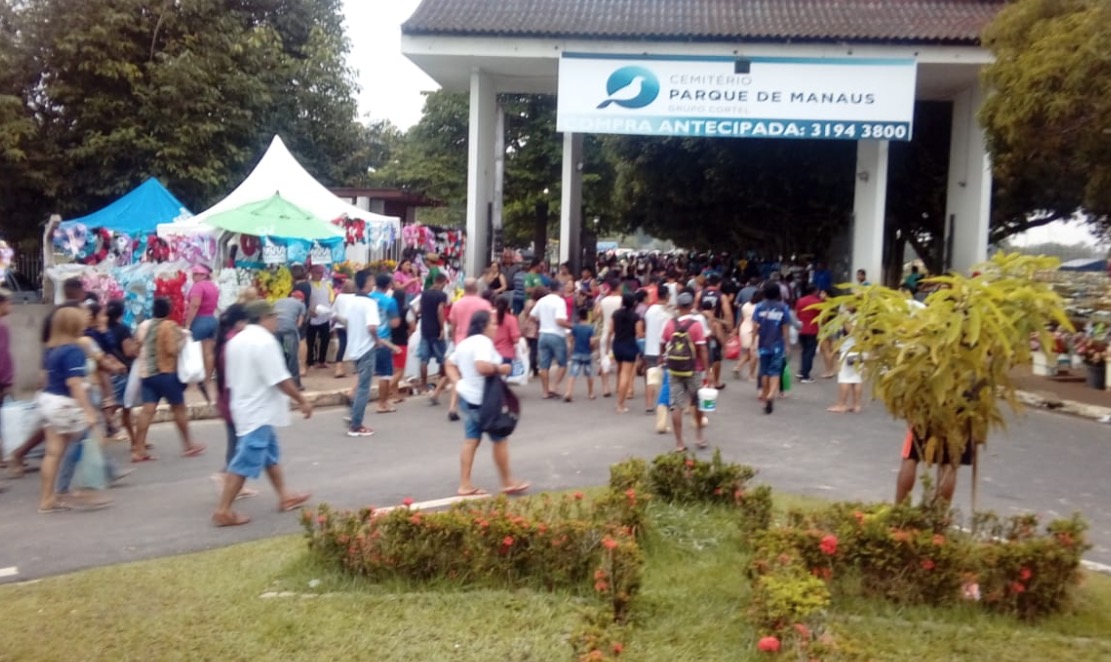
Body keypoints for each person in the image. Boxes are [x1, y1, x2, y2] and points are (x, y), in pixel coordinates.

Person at [212, 300, 312, 527]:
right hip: (258, 409)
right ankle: (224, 509)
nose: (277, 321)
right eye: (274, 317)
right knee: (246, 459)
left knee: (268, 454)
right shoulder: (264, 341)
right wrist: (302, 400)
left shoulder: (236, 340)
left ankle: (285, 496)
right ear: (264, 318)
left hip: (246, 406)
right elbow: (280, 379)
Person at [445, 310, 529, 497]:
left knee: (471, 440)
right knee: (499, 439)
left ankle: (465, 484)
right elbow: (481, 366)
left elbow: (449, 363)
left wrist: (458, 382)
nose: (495, 326)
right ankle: (507, 481)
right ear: (483, 325)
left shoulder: (464, 343)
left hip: (468, 397)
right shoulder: (483, 342)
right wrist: (501, 368)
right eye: (492, 323)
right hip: (485, 399)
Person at [36, 307, 110, 513]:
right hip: (66, 403)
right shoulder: (74, 351)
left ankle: (47, 498)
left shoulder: (51, 350)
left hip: (49, 401)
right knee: (86, 445)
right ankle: (84, 492)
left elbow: (45, 379)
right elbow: (75, 384)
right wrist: (89, 412)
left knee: (53, 453)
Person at [132, 297, 205, 461]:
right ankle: (188, 445)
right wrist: (182, 340)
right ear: (168, 311)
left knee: (147, 411)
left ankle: (138, 448)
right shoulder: (169, 326)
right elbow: (172, 350)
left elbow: (135, 348)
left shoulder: (143, 326)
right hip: (166, 374)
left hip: (147, 374)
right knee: (179, 408)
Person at [212, 304, 258, 500]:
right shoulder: (234, 342)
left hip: (228, 399)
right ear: (240, 322)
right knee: (239, 446)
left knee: (237, 444)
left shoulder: (225, 340)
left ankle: (234, 482)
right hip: (235, 401)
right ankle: (225, 478)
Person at [661, 292, 709, 451]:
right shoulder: (696, 325)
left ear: (678, 307)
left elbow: (663, 343)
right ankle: (699, 436)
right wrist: (707, 370)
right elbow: (702, 349)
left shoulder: (669, 324)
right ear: (692, 306)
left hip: (674, 369)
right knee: (697, 402)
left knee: (676, 405)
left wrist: (664, 359)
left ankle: (679, 442)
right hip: (693, 369)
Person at [340, 270, 381, 437]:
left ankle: (353, 415)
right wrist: (377, 340)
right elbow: (372, 326)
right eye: (371, 280)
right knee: (364, 387)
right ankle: (356, 425)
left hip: (355, 347)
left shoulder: (352, 301)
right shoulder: (369, 303)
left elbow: (345, 322)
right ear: (367, 281)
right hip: (366, 347)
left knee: (360, 384)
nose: (373, 284)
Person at [446, 278, 493, 419]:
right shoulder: (484, 304)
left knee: (460, 376)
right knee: (480, 374)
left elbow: (453, 324)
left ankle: (453, 407)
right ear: (477, 288)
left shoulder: (457, 304)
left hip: (461, 341)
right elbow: (490, 322)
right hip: (479, 341)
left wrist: (454, 338)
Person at [751, 282, 791, 415]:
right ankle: (772, 394)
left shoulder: (759, 307)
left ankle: (765, 392)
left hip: (763, 345)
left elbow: (755, 327)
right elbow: (785, 328)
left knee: (764, 371)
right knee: (775, 371)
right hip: (777, 345)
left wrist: (752, 343)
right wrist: (787, 345)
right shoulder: (783, 308)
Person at [530, 286, 572, 399]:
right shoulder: (559, 301)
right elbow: (560, 320)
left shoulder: (541, 301)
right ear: (559, 290)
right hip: (557, 335)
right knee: (562, 363)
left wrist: (541, 322)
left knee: (544, 365)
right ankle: (554, 386)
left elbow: (532, 316)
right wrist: (572, 326)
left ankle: (545, 391)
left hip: (543, 334)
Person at [183, 264, 219, 389]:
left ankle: (192, 382)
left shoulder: (198, 287)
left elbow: (194, 305)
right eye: (194, 273)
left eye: (196, 273)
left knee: (192, 352)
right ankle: (207, 380)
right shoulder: (213, 286)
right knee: (208, 352)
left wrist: (187, 324)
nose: (194, 276)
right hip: (212, 319)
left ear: (204, 274)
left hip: (199, 320)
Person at [369, 273, 401, 413]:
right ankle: (382, 404)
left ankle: (353, 395)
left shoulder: (368, 298)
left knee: (365, 372)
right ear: (388, 286)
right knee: (385, 374)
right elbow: (395, 323)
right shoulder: (390, 301)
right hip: (383, 340)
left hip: (367, 339)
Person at [607, 293, 641, 414]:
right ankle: (620, 404)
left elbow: (611, 331)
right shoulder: (635, 316)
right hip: (630, 345)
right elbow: (639, 333)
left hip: (617, 344)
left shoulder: (615, 314)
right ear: (634, 303)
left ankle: (620, 397)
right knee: (625, 375)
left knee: (620, 371)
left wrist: (607, 347)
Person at [418, 273, 450, 401]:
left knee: (424, 359)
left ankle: (424, 385)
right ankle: (443, 383)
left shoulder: (424, 293)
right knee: (442, 358)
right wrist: (442, 328)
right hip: (436, 329)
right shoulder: (442, 295)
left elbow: (419, 309)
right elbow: (440, 311)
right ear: (442, 282)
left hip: (424, 328)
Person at [642, 284, 670, 411]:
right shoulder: (667, 313)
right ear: (667, 296)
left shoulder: (649, 310)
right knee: (667, 377)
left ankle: (649, 405)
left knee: (651, 378)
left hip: (649, 348)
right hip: (663, 349)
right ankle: (665, 403)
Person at [827, 317, 865, 414]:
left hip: (848, 351)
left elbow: (850, 332)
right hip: (860, 351)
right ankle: (856, 404)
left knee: (845, 379)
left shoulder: (848, 318)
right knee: (857, 379)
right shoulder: (864, 316)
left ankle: (842, 405)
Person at [595, 279, 623, 398]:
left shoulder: (604, 300)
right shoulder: (621, 300)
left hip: (605, 333)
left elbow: (598, 314)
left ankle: (605, 387)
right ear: (618, 287)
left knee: (604, 359)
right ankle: (618, 385)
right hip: (619, 333)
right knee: (620, 361)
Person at [273, 291, 306, 390]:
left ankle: (280, 384)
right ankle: (296, 384)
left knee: (281, 355)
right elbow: (300, 323)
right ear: (301, 299)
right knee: (291, 356)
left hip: (275, 329)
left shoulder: (278, 301)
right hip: (288, 330)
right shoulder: (301, 304)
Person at [305, 264, 335, 370]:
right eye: (318, 273)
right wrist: (309, 311)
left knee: (325, 339)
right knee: (311, 341)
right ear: (311, 273)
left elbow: (331, 297)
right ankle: (310, 361)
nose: (320, 275)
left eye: (321, 273)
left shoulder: (326, 284)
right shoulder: (307, 285)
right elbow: (305, 301)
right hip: (312, 316)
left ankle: (322, 360)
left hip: (324, 316)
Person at [565, 308, 597, 402]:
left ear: (578, 317)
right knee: (589, 374)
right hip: (587, 353)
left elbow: (571, 339)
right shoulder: (590, 328)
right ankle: (591, 393)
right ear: (587, 317)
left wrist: (570, 350)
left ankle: (569, 392)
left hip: (577, 352)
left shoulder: (575, 327)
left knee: (573, 373)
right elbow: (591, 342)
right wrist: (592, 348)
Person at [795, 284, 823, 383]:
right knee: (809, 353)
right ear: (814, 291)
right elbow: (822, 314)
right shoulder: (817, 302)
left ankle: (802, 370)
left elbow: (797, 314)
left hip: (802, 328)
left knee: (804, 351)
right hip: (812, 329)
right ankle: (805, 375)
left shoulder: (800, 300)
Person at [389, 285, 412, 404]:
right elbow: (412, 326)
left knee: (395, 369)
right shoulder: (405, 311)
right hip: (401, 341)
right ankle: (387, 389)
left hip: (390, 341)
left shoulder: (390, 310)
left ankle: (395, 394)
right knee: (400, 371)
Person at [331, 280, 358, 379]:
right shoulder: (357, 297)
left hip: (340, 324)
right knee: (355, 345)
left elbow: (333, 311)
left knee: (342, 346)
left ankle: (338, 368)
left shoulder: (339, 297)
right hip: (353, 325)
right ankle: (357, 367)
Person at [493, 295, 520, 366]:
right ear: (508, 305)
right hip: (507, 355)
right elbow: (515, 339)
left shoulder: (489, 317)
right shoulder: (511, 319)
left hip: (491, 355)